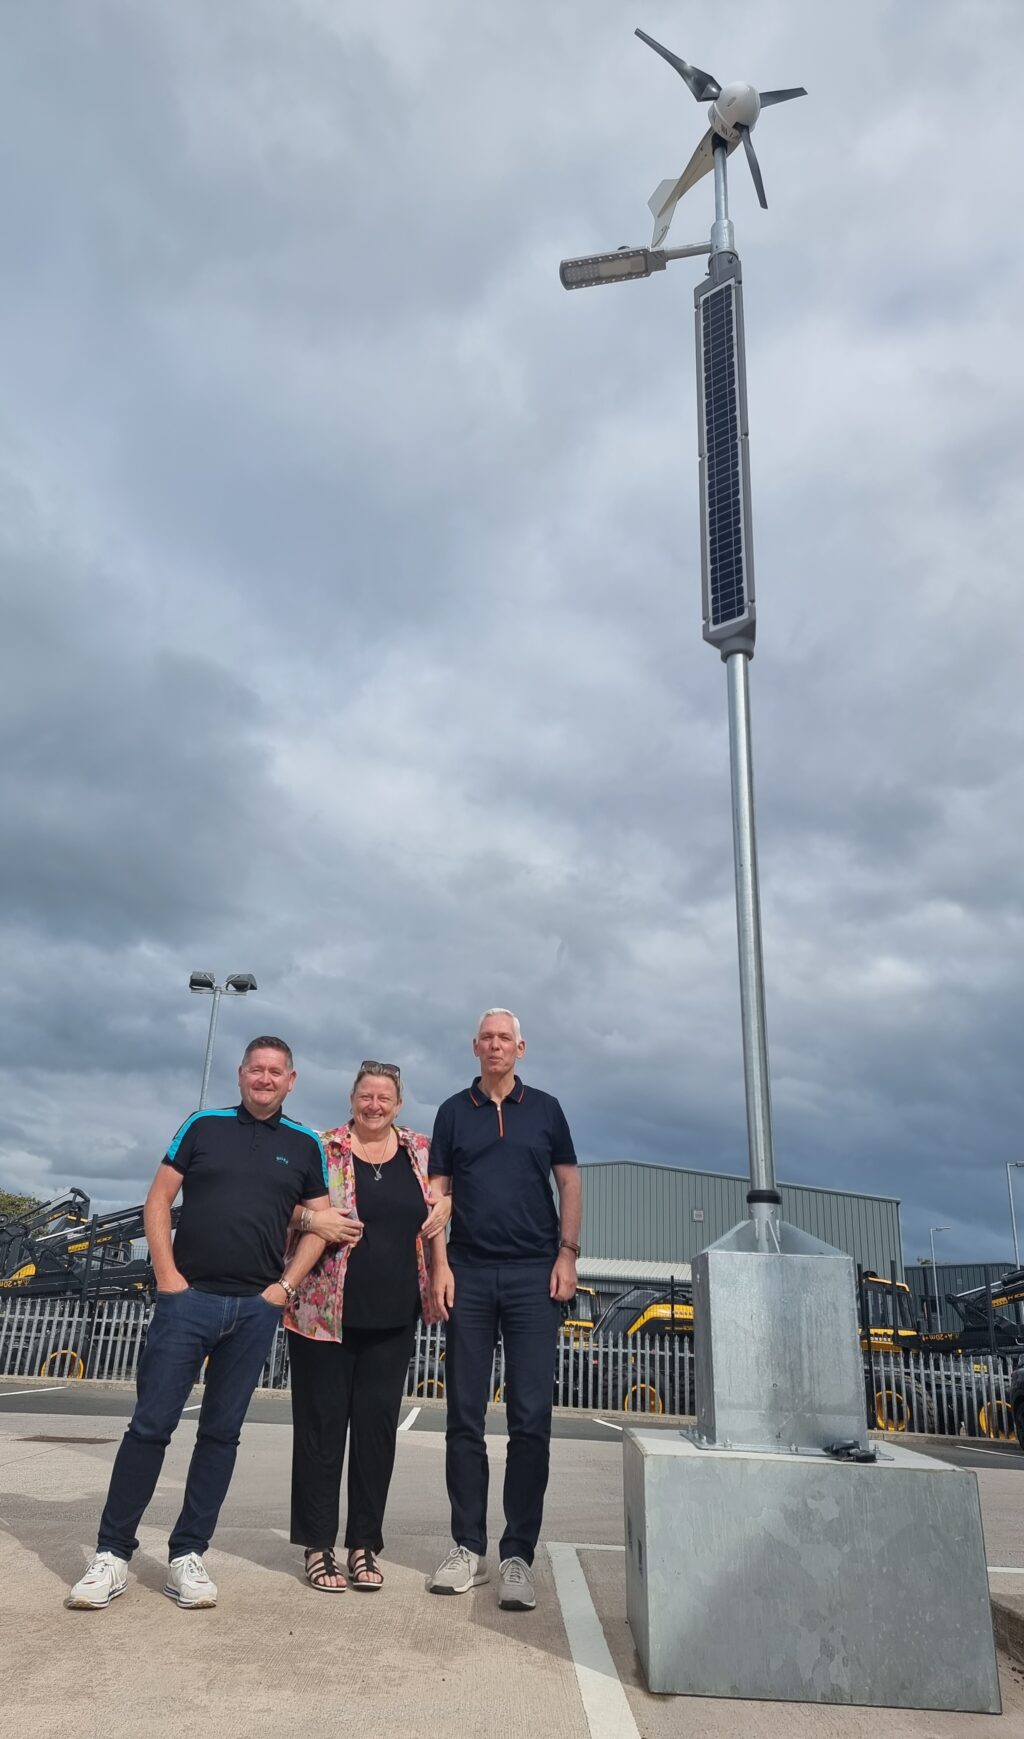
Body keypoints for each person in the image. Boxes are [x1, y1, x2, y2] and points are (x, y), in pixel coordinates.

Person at [65, 1037, 330, 1612]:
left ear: (292, 1080)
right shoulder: (203, 1124)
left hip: (255, 1311)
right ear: (241, 1074)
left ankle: (188, 1555)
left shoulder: (306, 1144)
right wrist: (167, 1277)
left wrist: (282, 1290)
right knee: (150, 1427)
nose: (264, 1079)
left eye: (275, 1072)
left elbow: (322, 1223)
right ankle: (111, 1555)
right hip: (187, 1302)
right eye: (256, 1069)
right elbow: (158, 1200)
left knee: (220, 1435)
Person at [425, 1009, 581, 1612]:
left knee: (530, 1419)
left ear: (521, 1046)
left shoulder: (546, 1109)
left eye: (504, 1038)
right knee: (463, 1415)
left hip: (532, 1277)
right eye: (485, 1038)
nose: (495, 1045)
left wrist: (567, 1254)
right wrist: (439, 1266)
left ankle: (518, 1554)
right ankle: (468, 1547)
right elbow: (437, 1192)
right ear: (474, 1047)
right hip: (466, 1272)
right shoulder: (451, 1112)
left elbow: (568, 1183)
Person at [284, 1061, 450, 1592]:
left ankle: (363, 1545)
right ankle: (316, 1545)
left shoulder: (421, 1153)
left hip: (394, 1314)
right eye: (365, 1095)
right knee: (321, 1431)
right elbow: (280, 1202)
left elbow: (444, 1206)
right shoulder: (320, 1146)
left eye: (384, 1097)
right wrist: (314, 1220)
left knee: (377, 1434)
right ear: (351, 1098)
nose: (374, 1105)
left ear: (398, 1104)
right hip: (322, 1314)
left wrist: (449, 1208)